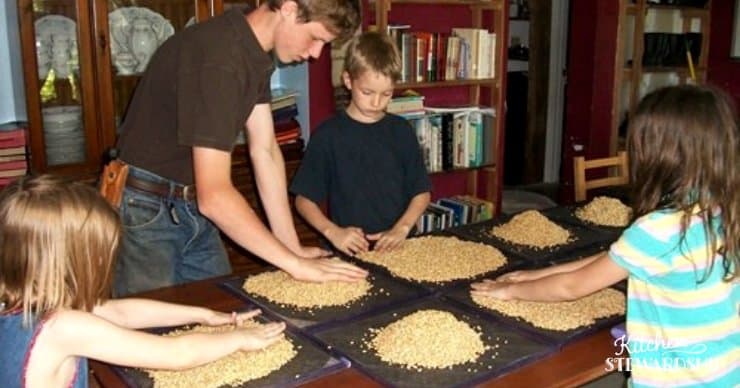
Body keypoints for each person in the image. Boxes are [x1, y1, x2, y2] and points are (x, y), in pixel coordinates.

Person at [471, 85, 739, 388]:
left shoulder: (661, 228)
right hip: (724, 373)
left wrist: (508, 292)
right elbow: (615, 259)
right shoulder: (721, 211)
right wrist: (537, 275)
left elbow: (573, 287)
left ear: (659, 154)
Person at [112, 0, 368, 296]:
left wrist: (291, 248)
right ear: (288, 9)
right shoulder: (220, 58)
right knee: (153, 331)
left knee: (225, 310)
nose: (315, 54)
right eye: (316, 38)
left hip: (188, 203)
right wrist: (295, 265)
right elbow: (215, 197)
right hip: (146, 211)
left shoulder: (250, 50)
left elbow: (265, 150)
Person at [0, 175, 287, 388]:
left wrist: (204, 315)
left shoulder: (22, 306)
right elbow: (177, 353)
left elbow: (121, 312)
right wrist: (238, 339)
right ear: (72, 263)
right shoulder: (63, 326)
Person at [290, 31, 431, 256]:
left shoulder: (402, 131)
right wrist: (333, 232)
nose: (376, 102)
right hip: (349, 248)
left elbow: (421, 192)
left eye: (386, 94)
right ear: (348, 80)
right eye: (367, 92)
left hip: (400, 246)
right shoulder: (328, 135)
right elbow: (304, 200)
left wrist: (402, 228)